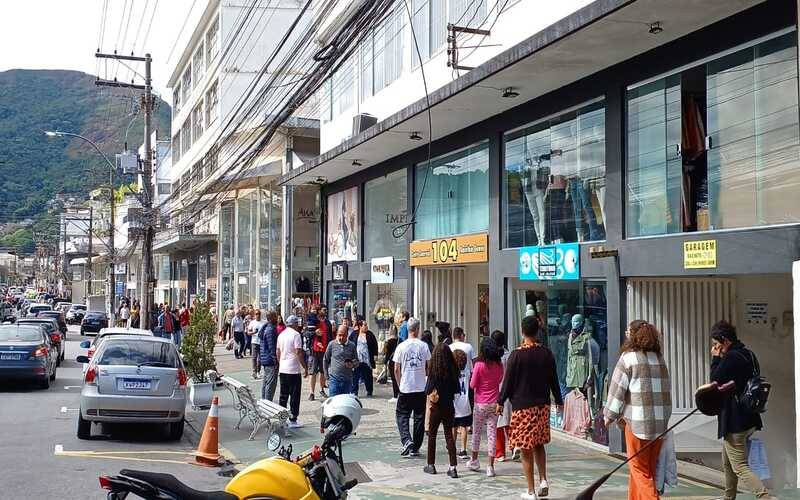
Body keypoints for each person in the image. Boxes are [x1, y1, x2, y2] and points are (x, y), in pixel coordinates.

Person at [604, 320, 672, 500]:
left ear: (633, 336)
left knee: (639, 470)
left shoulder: (628, 358)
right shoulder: (659, 358)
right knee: (647, 470)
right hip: (659, 426)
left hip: (637, 425)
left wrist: (609, 416)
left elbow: (617, 390)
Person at [497, 315, 562, 500]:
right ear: (537, 330)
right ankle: (543, 480)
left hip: (522, 407)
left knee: (525, 448)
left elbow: (507, 382)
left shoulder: (516, 355)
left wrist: (500, 402)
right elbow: (553, 380)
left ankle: (531, 491)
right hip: (542, 406)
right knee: (539, 444)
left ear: (522, 331)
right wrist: (559, 400)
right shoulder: (546, 353)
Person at [709, 320, 774, 500]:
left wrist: (715, 359)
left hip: (735, 419)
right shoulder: (748, 354)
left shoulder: (732, 357)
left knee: (740, 467)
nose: (715, 348)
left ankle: (764, 497)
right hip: (749, 417)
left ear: (725, 341)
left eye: (716, 344)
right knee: (728, 462)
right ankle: (729, 496)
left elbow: (715, 380)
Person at [393, 317, 431, 457]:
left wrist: (399, 384)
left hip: (406, 386)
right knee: (419, 417)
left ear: (408, 329)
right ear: (417, 329)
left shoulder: (401, 346)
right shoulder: (424, 346)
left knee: (402, 414)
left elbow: (396, 368)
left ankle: (406, 439)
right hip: (420, 386)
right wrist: (425, 377)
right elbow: (429, 365)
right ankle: (415, 447)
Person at [468, 338, 505, 477]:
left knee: (477, 433)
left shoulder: (479, 365)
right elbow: (500, 379)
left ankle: (474, 460)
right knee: (492, 434)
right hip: (494, 403)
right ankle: (490, 466)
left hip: (480, 403)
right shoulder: (499, 365)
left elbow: (472, 385)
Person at [424, 343, 461, 478]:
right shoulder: (453, 370)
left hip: (436, 407)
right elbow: (457, 390)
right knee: (449, 436)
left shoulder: (434, 371)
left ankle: (431, 464)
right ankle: (453, 467)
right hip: (449, 406)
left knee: (432, 435)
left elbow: (427, 390)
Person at [276, 315, 307, 428]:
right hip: (293, 369)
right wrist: (305, 367)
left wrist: (281, 363)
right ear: (294, 324)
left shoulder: (281, 335)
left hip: (283, 368)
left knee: (283, 395)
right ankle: (293, 417)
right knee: (294, 395)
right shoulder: (296, 335)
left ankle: (282, 418)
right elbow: (298, 352)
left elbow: (278, 352)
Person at [491, 330, 513, 462]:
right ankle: (514, 446)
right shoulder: (509, 355)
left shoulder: (491, 357)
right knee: (509, 420)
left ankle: (500, 453)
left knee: (498, 422)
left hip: (495, 392)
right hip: (509, 391)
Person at [324, 325, 358, 397]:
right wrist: (326, 377)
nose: (341, 338)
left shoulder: (352, 346)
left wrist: (352, 364)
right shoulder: (332, 344)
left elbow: (357, 361)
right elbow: (325, 360)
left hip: (347, 381)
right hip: (334, 380)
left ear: (347, 335)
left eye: (344, 335)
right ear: (337, 334)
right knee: (334, 403)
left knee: (344, 403)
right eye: (339, 335)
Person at [452, 349, 472, 460]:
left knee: (454, 427)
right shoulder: (468, 372)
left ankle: (452, 446)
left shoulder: (452, 373)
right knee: (464, 427)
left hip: (454, 404)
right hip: (465, 404)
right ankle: (463, 449)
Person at [350, 319, 378, 397]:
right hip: (357, 359)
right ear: (360, 326)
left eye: (366, 325)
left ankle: (369, 390)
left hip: (367, 359)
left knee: (368, 375)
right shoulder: (354, 334)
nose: (366, 326)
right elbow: (350, 343)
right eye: (364, 325)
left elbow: (374, 345)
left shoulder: (370, 334)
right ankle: (354, 391)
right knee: (355, 376)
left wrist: (375, 354)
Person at [309, 310, 331, 401]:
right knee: (313, 372)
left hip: (324, 350)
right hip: (314, 350)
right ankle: (311, 392)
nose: (324, 312)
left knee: (323, 371)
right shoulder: (313, 322)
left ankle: (322, 389)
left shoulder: (327, 322)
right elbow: (307, 333)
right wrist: (315, 333)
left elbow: (330, 335)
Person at [259, 311, 279, 401]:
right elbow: (272, 346)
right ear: (271, 318)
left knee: (266, 381)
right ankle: (267, 403)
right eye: (275, 316)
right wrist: (275, 360)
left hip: (265, 358)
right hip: (270, 359)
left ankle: (264, 401)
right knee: (270, 383)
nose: (277, 318)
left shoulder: (266, 327)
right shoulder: (271, 329)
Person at [385, 324, 400, 403]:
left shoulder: (389, 341)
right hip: (399, 361)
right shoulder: (399, 340)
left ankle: (395, 395)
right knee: (399, 377)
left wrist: (385, 361)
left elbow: (387, 354)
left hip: (392, 361)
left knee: (394, 378)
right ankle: (399, 393)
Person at [248, 309, 264, 379]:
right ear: (254, 315)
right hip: (254, 342)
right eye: (256, 314)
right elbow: (248, 332)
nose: (258, 315)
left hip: (261, 342)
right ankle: (254, 371)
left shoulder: (263, 322)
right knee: (254, 357)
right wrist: (253, 332)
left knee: (260, 358)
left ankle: (258, 371)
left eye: (259, 314)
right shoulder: (252, 322)